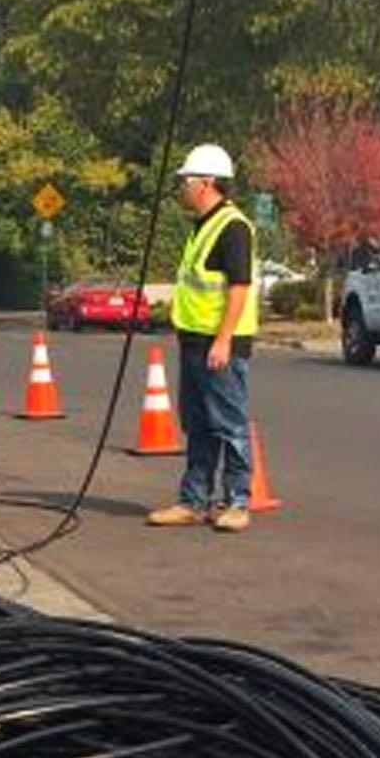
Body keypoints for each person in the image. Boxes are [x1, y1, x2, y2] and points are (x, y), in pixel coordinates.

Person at [147, 143, 259, 533]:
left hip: (219, 344)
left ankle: (237, 502)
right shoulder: (202, 226)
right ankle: (193, 501)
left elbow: (239, 288)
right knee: (198, 425)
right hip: (194, 340)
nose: (182, 187)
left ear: (207, 183)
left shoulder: (233, 227)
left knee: (229, 425)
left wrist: (223, 340)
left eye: (187, 180)